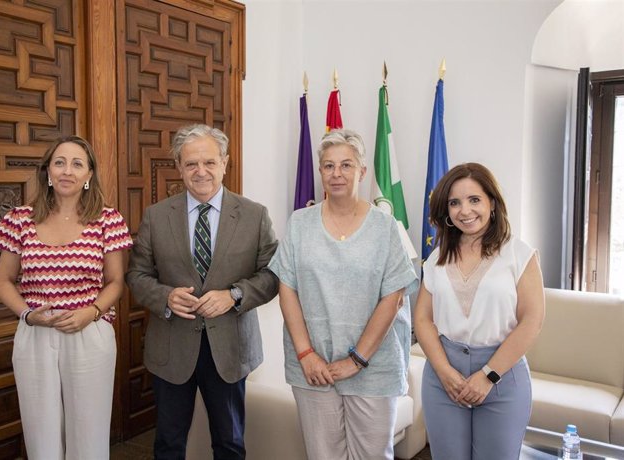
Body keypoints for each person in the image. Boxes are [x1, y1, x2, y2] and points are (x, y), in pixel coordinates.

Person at [126, 124, 279, 460]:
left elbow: (272, 275)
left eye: (209, 162)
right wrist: (164, 296)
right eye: (191, 164)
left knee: (230, 443)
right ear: (179, 168)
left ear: (225, 163)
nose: (201, 172)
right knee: (168, 443)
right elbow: (136, 275)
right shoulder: (155, 216)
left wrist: (234, 295)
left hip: (230, 348)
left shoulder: (254, 215)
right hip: (172, 347)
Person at [268, 129, 418, 460]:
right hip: (313, 367)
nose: (337, 174)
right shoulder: (299, 223)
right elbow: (286, 288)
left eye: (346, 165)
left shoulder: (385, 226)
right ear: (320, 172)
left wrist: (356, 360)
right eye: (328, 166)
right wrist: (306, 355)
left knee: (372, 456)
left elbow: (394, 297)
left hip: (374, 367)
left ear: (362, 172)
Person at [0, 135, 133, 459]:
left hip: (88, 332)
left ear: (89, 175)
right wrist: (28, 314)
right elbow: (3, 281)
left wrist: (91, 312)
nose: (67, 170)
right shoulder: (19, 219)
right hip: (35, 334)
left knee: (89, 432)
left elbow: (115, 282)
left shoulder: (108, 220)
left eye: (77, 163)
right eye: (60, 162)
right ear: (48, 171)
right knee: (41, 435)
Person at [413, 162, 545, 460]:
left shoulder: (519, 254)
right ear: (446, 211)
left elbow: (532, 320)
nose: (465, 210)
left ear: (492, 203)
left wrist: (487, 375)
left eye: (475, 200)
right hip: (443, 377)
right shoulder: (436, 258)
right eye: (455, 202)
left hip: (502, 375)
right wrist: (445, 372)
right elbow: (422, 319)